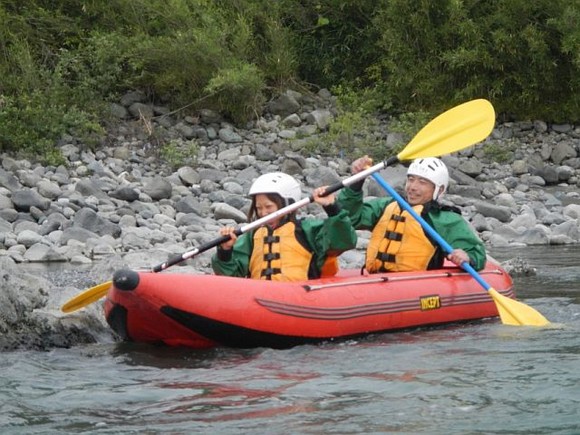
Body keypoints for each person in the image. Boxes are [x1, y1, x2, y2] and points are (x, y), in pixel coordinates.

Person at [338, 156, 486, 273]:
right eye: (411, 179)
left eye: (422, 182)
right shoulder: (387, 206)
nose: (413, 187)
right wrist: (357, 181)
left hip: (415, 288)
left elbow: (476, 254)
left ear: (439, 190)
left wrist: (468, 257)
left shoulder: (445, 219)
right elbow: (350, 218)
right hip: (376, 281)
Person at [211, 172, 357, 281]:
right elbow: (230, 276)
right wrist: (225, 251)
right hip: (258, 298)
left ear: (288, 205)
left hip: (299, 297)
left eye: (269, 206)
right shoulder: (253, 235)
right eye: (259, 208)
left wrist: (332, 208)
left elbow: (344, 241)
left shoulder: (307, 230)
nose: (263, 213)